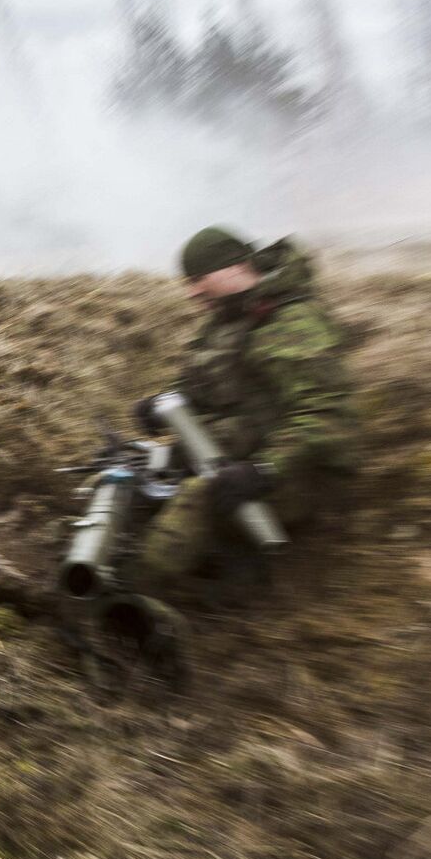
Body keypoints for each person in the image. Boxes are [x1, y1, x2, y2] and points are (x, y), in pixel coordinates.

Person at [131, 226, 355, 591]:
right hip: (235, 453)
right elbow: (202, 384)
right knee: (132, 472)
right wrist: (162, 403)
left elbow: (327, 416)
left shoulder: (292, 323)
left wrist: (264, 470)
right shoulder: (227, 320)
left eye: (199, 279)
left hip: (298, 475)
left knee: (198, 498)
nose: (191, 291)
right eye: (187, 282)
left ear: (235, 269)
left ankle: (127, 596)